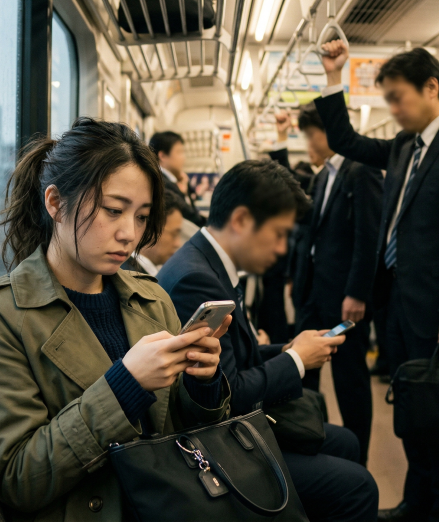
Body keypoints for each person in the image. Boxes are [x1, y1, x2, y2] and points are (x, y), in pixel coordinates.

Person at [0, 119, 230, 520]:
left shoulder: (152, 299)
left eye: (141, 217)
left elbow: (185, 431)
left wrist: (203, 382)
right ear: (55, 203)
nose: (130, 234)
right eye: (113, 210)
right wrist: (125, 386)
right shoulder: (1, 316)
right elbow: (19, 479)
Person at [316, 41, 439, 522]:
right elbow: (347, 142)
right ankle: (418, 503)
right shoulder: (404, 146)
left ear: (431, 87)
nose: (393, 110)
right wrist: (334, 74)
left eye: (398, 98)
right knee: (414, 418)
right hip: (397, 303)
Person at [157, 160, 380, 522]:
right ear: (242, 220)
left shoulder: (209, 265)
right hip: (214, 444)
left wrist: (289, 349)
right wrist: (296, 362)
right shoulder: (196, 280)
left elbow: (233, 357)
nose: (281, 250)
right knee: (358, 486)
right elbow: (226, 393)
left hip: (230, 427)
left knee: (346, 442)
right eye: (278, 234)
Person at [285, 103, 384, 463]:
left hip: (345, 298)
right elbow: (312, 232)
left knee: (350, 381)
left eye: (311, 135)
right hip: (314, 294)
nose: (308, 143)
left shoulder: (363, 172)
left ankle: (358, 459)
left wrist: (357, 292)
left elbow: (368, 237)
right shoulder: (325, 175)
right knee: (303, 372)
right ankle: (312, 444)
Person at [149, 131, 206, 226]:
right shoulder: (162, 183)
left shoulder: (173, 180)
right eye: (179, 152)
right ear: (162, 155)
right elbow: (192, 217)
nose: (184, 158)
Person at [122, 189, 184, 276]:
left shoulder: (140, 272)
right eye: (174, 234)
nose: (178, 244)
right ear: (150, 229)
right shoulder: (132, 279)